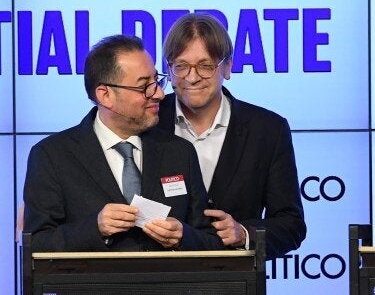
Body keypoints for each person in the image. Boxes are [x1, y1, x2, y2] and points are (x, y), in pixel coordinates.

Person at [23, 35, 223, 252]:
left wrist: (183, 237)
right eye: (144, 86)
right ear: (105, 95)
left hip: (168, 285)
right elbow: (37, 243)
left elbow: (209, 239)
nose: (158, 93)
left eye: (157, 81)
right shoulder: (52, 156)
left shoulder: (179, 152)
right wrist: (95, 228)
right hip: (92, 285)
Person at [157, 13, 306, 259]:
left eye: (205, 66)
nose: (192, 78)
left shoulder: (268, 129)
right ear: (169, 70)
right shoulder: (148, 120)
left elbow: (291, 224)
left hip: (235, 278)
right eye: (181, 66)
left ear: (227, 67)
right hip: (160, 278)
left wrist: (244, 234)